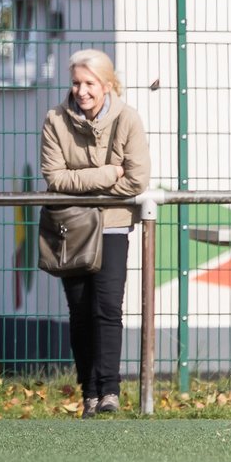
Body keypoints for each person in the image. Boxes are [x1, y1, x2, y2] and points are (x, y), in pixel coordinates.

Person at [40, 49, 151, 418]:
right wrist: (107, 175)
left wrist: (84, 186)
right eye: (76, 83)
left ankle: (109, 391)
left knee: (107, 308)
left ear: (106, 85)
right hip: (70, 226)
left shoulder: (128, 119)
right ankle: (88, 391)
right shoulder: (55, 120)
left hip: (114, 224)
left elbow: (137, 178)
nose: (81, 91)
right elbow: (54, 178)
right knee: (80, 310)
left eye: (89, 83)